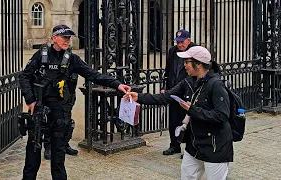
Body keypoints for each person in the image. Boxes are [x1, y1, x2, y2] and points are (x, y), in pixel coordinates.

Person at [19, 24, 131, 180]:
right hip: (39, 110)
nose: (67, 41)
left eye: (69, 38)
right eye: (64, 37)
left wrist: (116, 84)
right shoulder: (41, 55)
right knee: (32, 156)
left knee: (58, 159)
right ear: (54, 38)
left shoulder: (72, 59)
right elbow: (24, 77)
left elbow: (93, 75)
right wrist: (30, 100)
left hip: (60, 113)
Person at [125, 46, 233, 179]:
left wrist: (192, 110)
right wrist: (139, 97)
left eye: (187, 62)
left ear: (198, 64)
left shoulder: (216, 85)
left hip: (216, 145)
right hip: (195, 142)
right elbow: (165, 97)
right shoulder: (189, 82)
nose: (184, 65)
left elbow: (222, 116)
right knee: (187, 176)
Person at [162, 29, 196, 155]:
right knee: (173, 119)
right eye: (178, 42)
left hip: (188, 91)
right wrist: (165, 86)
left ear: (189, 40)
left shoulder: (194, 51)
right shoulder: (173, 51)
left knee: (188, 120)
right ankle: (174, 145)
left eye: (182, 42)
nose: (180, 44)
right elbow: (168, 70)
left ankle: (189, 148)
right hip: (173, 90)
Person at [43, 73, 79, 160]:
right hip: (53, 89)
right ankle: (48, 146)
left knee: (66, 118)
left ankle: (64, 143)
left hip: (67, 88)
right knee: (50, 120)